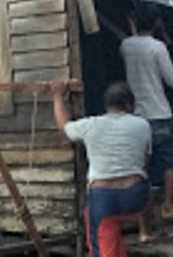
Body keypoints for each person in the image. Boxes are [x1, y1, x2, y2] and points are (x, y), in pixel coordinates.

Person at [53, 81, 152, 257]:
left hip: (105, 201)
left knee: (101, 244)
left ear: (107, 105)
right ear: (129, 105)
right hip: (137, 199)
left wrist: (57, 97)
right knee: (113, 232)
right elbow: (145, 161)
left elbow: (64, 127)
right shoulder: (143, 125)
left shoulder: (91, 124)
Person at [121, 3, 173, 219]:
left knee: (142, 165)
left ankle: (141, 209)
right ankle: (168, 206)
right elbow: (172, 79)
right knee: (171, 162)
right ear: (156, 23)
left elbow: (132, 36)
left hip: (137, 116)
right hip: (159, 114)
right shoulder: (157, 47)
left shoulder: (126, 46)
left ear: (135, 22)